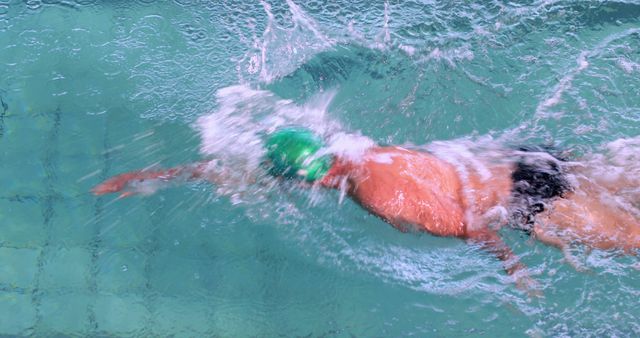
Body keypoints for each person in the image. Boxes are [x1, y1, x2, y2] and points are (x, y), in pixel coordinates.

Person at [92, 127, 640, 289]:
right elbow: (235, 169)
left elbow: (470, 226)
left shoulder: (375, 194)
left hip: (525, 203)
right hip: (522, 160)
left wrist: (516, 270)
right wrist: (154, 175)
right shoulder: (359, 148)